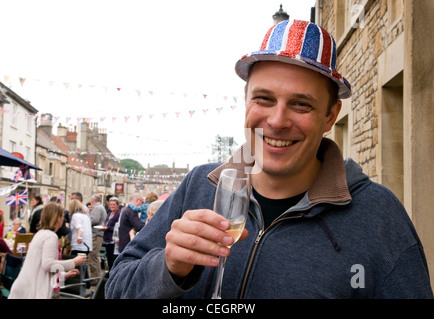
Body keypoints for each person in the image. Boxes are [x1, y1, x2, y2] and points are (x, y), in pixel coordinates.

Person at [105, 20, 433, 299]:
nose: (277, 120)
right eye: (264, 98)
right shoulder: (198, 187)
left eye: (301, 104)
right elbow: (115, 286)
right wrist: (168, 268)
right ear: (246, 101)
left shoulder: (380, 217)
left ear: (331, 116)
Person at [9, 203, 86, 299]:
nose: (64, 219)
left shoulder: (40, 234)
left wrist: (64, 275)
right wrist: (73, 262)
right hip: (33, 291)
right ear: (57, 218)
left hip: (25, 288)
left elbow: (41, 269)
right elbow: (48, 265)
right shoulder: (51, 236)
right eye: (62, 216)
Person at [88, 194, 107, 279]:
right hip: (98, 234)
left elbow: (95, 219)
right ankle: (96, 276)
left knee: (93, 256)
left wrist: (86, 221)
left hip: (96, 234)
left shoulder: (97, 208)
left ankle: (95, 277)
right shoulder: (101, 207)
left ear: (92, 201)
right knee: (94, 256)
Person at [102, 197, 121, 269]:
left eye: (114, 204)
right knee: (109, 259)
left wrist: (108, 228)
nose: (112, 206)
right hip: (107, 239)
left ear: (117, 205)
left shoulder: (118, 214)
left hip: (113, 240)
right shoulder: (109, 213)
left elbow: (118, 227)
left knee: (112, 260)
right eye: (111, 205)